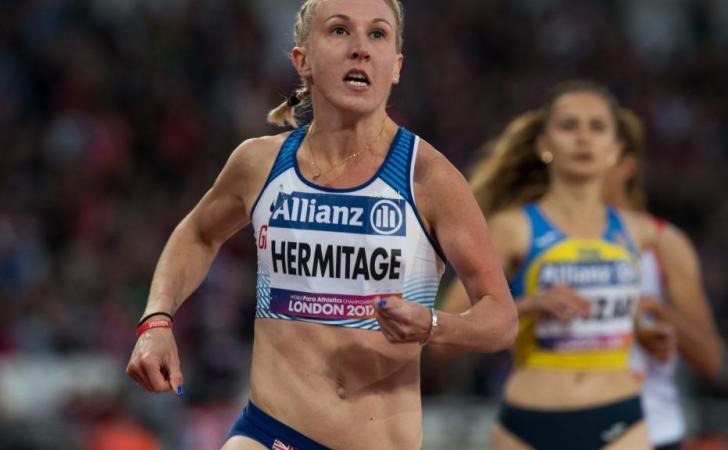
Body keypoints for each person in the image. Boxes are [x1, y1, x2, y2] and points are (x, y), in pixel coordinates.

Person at [125, 1, 518, 449]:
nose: (360, 49)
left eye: (377, 34)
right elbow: (198, 233)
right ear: (302, 60)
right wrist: (156, 321)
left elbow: (500, 316)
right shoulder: (260, 164)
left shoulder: (428, 177)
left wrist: (432, 324)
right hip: (271, 432)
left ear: (396, 67)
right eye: (338, 31)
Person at [437, 80, 658, 450]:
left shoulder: (638, 233)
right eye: (569, 126)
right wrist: (530, 304)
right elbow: (444, 338)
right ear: (544, 146)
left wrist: (646, 332)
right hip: (529, 425)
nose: (583, 138)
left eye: (597, 127)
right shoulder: (513, 229)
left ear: (615, 150)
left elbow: (611, 318)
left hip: (621, 419)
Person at [602, 111, 723, 450]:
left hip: (651, 433)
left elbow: (710, 359)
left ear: (626, 164)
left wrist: (658, 310)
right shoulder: (542, 242)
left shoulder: (662, 245)